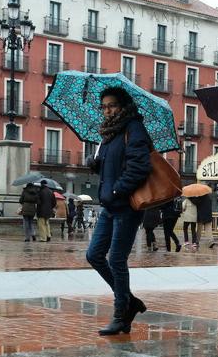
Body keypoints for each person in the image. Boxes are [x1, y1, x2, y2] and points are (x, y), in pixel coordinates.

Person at [85, 87, 151, 336]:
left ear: (123, 106)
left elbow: (139, 166)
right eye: (103, 106)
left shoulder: (134, 128)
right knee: (94, 255)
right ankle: (130, 301)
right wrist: (96, 164)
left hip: (126, 207)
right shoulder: (109, 134)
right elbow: (112, 167)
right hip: (109, 205)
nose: (107, 110)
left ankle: (121, 314)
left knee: (116, 259)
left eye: (112, 105)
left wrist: (117, 191)